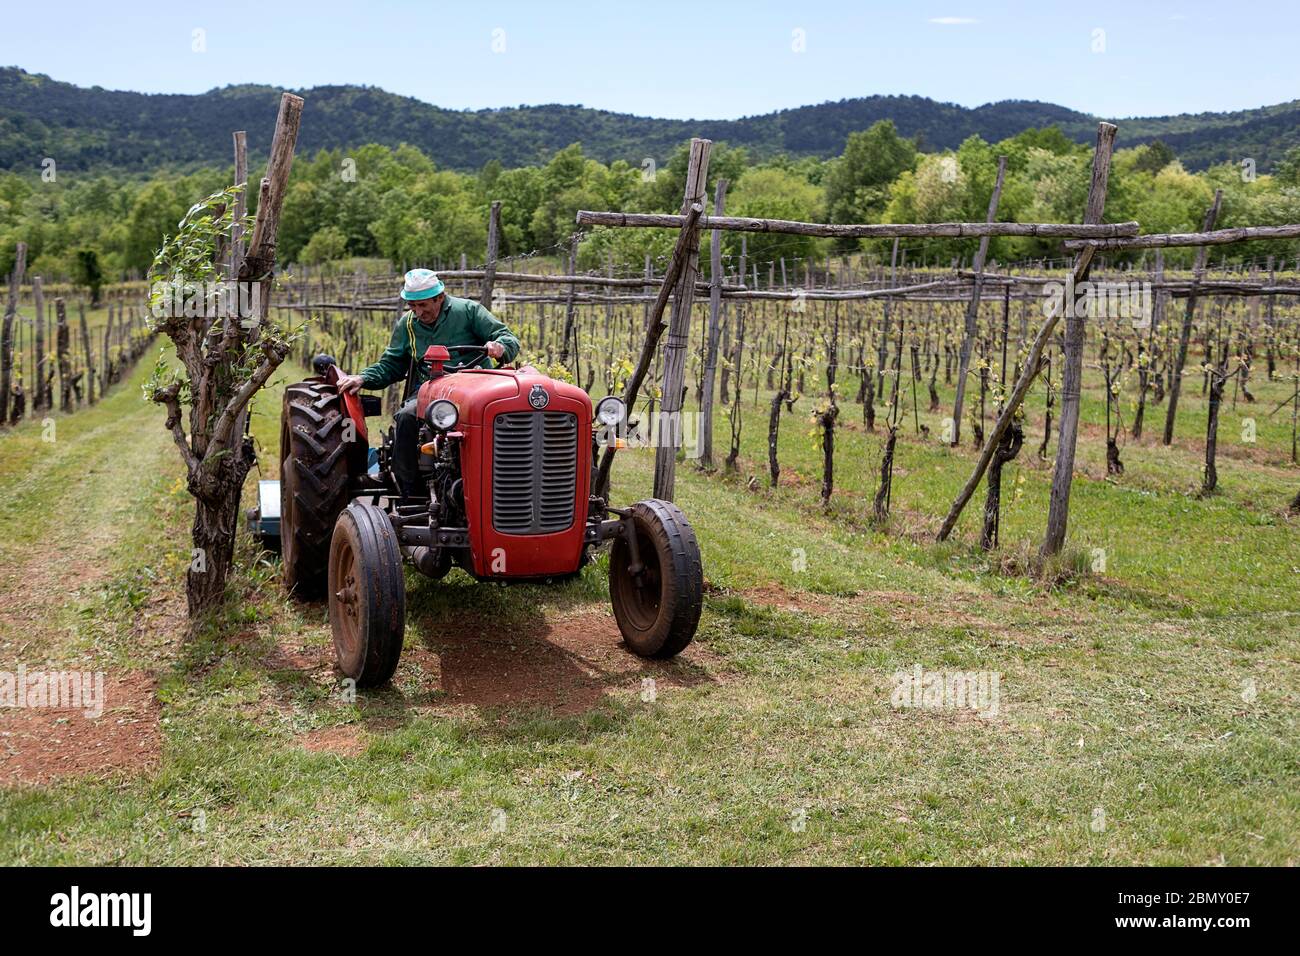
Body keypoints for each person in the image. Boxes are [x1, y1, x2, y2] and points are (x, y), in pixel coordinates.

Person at [338, 268, 520, 498]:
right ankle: (410, 491)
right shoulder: (408, 325)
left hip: (476, 386)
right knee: (406, 416)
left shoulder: (469, 311)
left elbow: (507, 337)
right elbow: (392, 364)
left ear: (440, 297)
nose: (417, 312)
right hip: (431, 390)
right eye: (412, 306)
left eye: (423, 305)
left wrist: (500, 346)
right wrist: (364, 378)